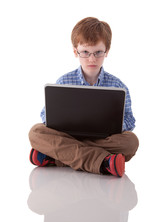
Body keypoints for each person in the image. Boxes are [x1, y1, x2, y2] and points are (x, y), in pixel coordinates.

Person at [28, 17, 139, 177]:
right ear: (76, 51)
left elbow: (130, 120)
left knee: (131, 142)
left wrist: (111, 125)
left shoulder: (118, 86)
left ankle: (56, 158)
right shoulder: (63, 81)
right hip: (68, 135)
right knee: (36, 132)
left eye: (98, 52)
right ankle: (104, 162)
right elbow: (46, 116)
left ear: (106, 51)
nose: (92, 58)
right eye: (85, 52)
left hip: (102, 139)